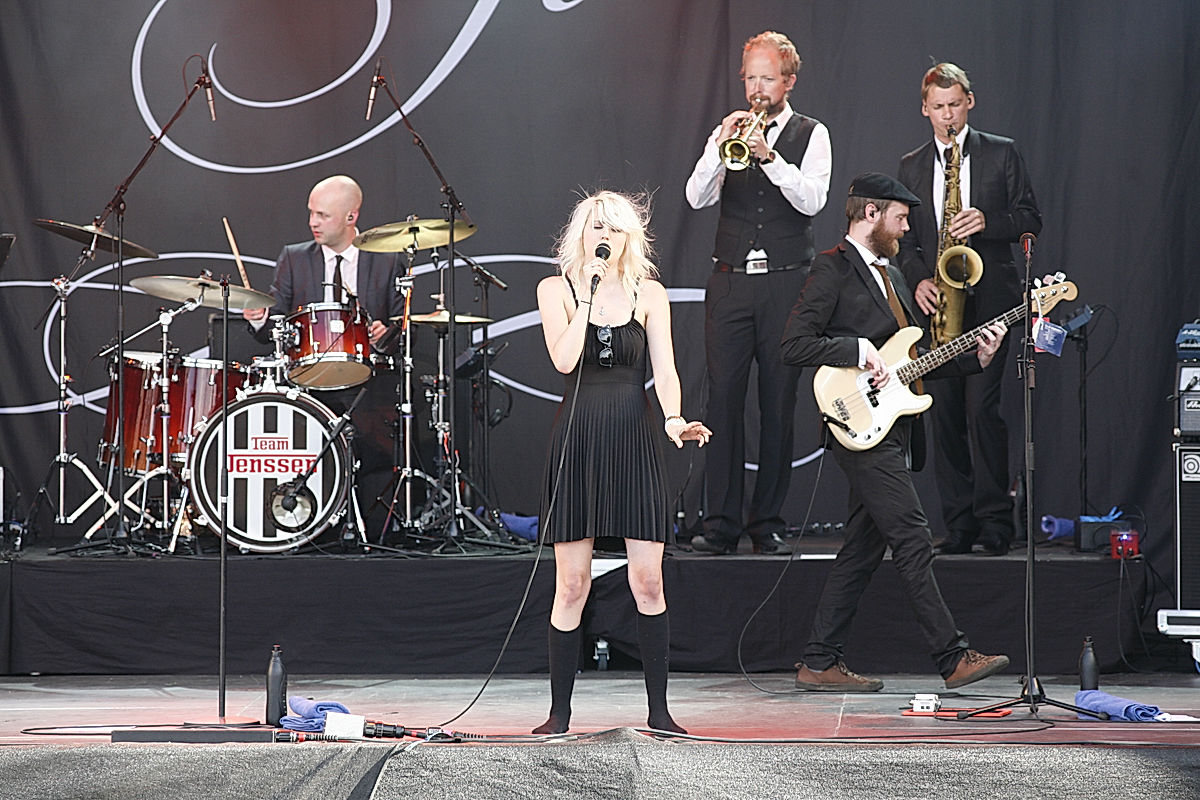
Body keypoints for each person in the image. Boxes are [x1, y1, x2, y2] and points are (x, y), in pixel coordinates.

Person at [780, 172, 1010, 692]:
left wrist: (974, 358)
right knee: (911, 536)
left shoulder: (896, 275)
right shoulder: (832, 267)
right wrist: (855, 350)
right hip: (857, 423)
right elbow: (793, 345)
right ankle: (953, 657)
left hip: (895, 424)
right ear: (871, 214)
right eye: (901, 218)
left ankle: (818, 661)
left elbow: (914, 361)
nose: (906, 229)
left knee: (862, 549)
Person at [534, 191, 711, 734]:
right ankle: (559, 714)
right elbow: (564, 359)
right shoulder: (556, 289)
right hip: (579, 438)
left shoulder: (649, 292)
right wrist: (587, 298)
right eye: (595, 226)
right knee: (572, 584)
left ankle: (660, 711)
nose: (603, 236)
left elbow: (666, 369)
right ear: (580, 234)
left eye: (613, 227)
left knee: (648, 580)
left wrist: (674, 419)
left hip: (634, 435)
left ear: (629, 236)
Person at [685, 30, 831, 555]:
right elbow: (696, 197)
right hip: (730, 282)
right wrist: (719, 149)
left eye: (767, 78)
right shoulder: (729, 130)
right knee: (722, 401)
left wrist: (769, 157)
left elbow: (813, 200)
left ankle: (766, 522)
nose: (756, 88)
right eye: (750, 78)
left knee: (778, 402)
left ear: (788, 82)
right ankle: (719, 525)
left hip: (787, 283)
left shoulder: (812, 134)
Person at [897, 63, 1042, 556]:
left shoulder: (1001, 152)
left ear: (970, 103)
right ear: (924, 109)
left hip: (993, 301)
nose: (947, 116)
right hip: (940, 301)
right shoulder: (911, 165)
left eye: (955, 105)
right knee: (945, 415)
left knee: (982, 411)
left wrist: (988, 221)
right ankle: (958, 525)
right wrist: (918, 279)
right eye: (938, 107)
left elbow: (1031, 218)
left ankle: (995, 522)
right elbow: (905, 239)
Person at [243, 175, 404, 530]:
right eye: (311, 213)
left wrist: (385, 333)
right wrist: (259, 319)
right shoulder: (294, 258)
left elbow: (403, 325)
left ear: (351, 217)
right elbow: (275, 327)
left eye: (323, 215)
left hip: (369, 384)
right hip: (309, 382)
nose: (312, 222)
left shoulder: (387, 260)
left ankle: (373, 525)